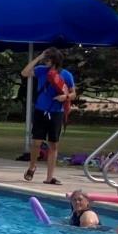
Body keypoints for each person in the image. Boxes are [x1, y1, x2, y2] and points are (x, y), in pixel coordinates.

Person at [22, 50, 76, 185]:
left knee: (53, 145)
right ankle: (32, 166)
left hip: (56, 112)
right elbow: (24, 72)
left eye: (47, 59)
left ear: (54, 60)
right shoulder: (41, 70)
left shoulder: (66, 75)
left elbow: (73, 93)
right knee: (36, 143)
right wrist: (38, 58)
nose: (45, 61)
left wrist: (66, 97)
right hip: (41, 110)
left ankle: (49, 177)